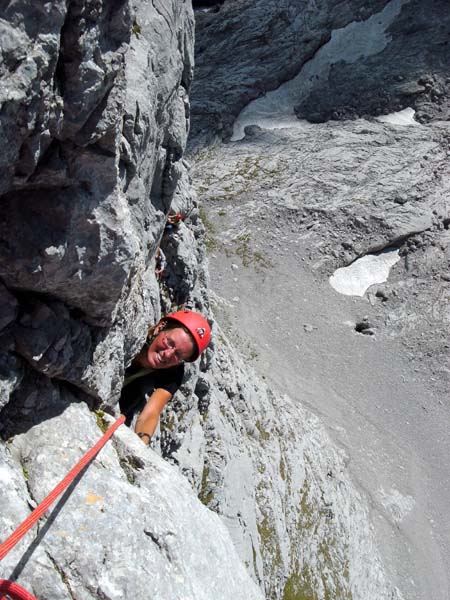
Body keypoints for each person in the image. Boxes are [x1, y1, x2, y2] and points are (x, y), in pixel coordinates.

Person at [119, 310, 211, 445]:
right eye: (169, 342)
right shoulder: (131, 333)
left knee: (134, 397)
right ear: (159, 328)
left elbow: (151, 412)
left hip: (123, 398)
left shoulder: (173, 373)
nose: (167, 354)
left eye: (178, 355)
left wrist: (142, 443)